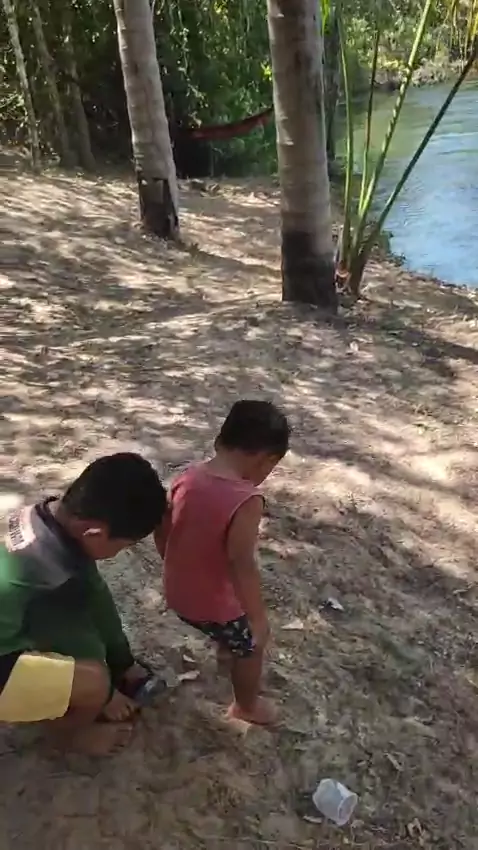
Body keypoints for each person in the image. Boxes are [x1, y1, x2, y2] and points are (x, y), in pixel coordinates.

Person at [0, 452, 168, 755]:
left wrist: (123, 661)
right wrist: (105, 694)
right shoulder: (47, 571)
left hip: (10, 628)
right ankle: (69, 737)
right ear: (95, 533)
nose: (119, 553)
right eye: (123, 546)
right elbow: (70, 635)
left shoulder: (49, 522)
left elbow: (97, 599)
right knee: (94, 682)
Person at [155, 400, 290, 725]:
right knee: (251, 647)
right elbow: (240, 563)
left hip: (177, 592)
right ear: (267, 459)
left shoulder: (187, 477)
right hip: (213, 606)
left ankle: (226, 644)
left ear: (219, 441)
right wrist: (258, 619)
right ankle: (246, 706)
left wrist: (172, 564)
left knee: (228, 631)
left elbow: (162, 526)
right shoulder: (246, 500)